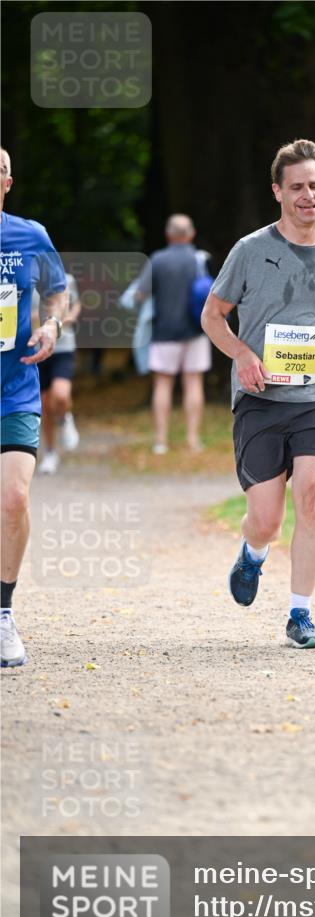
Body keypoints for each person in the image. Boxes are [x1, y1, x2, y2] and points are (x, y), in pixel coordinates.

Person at [201, 139, 315, 649]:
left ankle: (301, 614)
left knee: (314, 499)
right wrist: (241, 354)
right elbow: (212, 316)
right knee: (267, 520)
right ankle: (252, 552)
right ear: (277, 192)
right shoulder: (250, 251)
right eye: (297, 187)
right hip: (259, 399)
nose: (308, 196)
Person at [0, 147, 68, 667]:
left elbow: (57, 291)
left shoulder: (30, 235)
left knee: (14, 499)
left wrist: (51, 324)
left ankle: (3, 613)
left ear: (7, 182)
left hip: (15, 388)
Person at [135, 214, 212, 454]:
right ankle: (193, 439)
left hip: (164, 331)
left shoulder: (157, 260)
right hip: (196, 330)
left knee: (163, 385)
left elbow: (140, 294)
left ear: (168, 234)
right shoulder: (200, 259)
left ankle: (160, 441)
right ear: (191, 234)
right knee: (194, 383)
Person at [35, 272, 81, 474]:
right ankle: (51, 452)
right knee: (45, 404)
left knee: (61, 395)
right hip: (35, 349)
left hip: (63, 347)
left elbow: (76, 304)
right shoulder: (22, 277)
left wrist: (70, 317)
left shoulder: (66, 279)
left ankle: (64, 417)